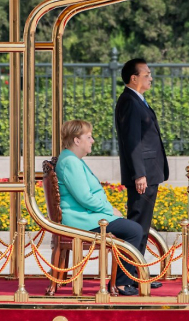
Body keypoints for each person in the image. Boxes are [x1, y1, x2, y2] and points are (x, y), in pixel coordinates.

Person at [55, 119, 144, 296]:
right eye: (88, 137)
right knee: (134, 230)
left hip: (86, 216)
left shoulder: (71, 159)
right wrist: (109, 210)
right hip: (82, 219)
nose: (92, 140)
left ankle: (123, 279)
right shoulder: (71, 162)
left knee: (130, 228)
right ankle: (120, 283)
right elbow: (85, 197)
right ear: (76, 140)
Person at [114, 58, 169, 289]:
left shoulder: (138, 100)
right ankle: (125, 280)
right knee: (136, 226)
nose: (151, 78)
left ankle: (137, 276)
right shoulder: (128, 101)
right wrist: (139, 174)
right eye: (146, 74)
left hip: (149, 173)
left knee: (142, 228)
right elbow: (132, 141)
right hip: (142, 175)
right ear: (134, 78)